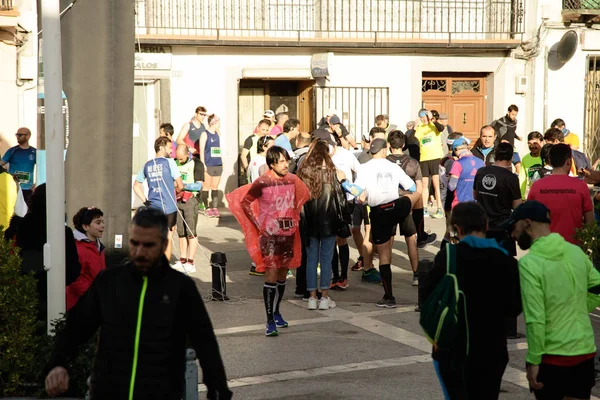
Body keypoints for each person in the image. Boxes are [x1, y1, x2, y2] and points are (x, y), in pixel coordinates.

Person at [44, 207, 232, 399]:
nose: (140, 252)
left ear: (164, 244)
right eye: (135, 243)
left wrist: (217, 387)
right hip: (109, 391)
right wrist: (58, 363)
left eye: (148, 245)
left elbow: (204, 341)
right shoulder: (109, 282)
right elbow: (76, 326)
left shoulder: (181, 287)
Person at [423, 202, 521, 399]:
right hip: (492, 352)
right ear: (486, 226)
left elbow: (428, 299)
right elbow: (514, 308)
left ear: (456, 229)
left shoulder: (448, 257)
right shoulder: (506, 261)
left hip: (452, 350)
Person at [506, 200, 600, 399]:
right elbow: (597, 287)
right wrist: (577, 308)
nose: (512, 235)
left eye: (513, 228)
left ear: (528, 224)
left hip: (552, 358)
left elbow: (535, 318)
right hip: (584, 352)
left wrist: (533, 361)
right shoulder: (575, 252)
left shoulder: (529, 264)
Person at [227, 146, 310, 336]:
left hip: (288, 234)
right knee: (271, 276)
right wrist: (258, 224)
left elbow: (303, 196)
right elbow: (245, 202)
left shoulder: (292, 179)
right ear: (272, 164)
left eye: (287, 160)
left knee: (282, 276)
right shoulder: (262, 182)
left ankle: (277, 311)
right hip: (270, 237)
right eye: (281, 161)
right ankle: (269, 320)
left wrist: (295, 213)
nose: (286, 165)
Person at [353, 138, 422, 307]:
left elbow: (354, 194)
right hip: (397, 206)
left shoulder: (364, 168)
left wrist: (357, 194)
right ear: (384, 150)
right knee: (415, 195)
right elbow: (411, 187)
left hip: (380, 212)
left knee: (384, 255)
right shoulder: (393, 166)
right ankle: (422, 232)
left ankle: (389, 296)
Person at [15, 184, 81, 325]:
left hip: (18, 297)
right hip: (51, 298)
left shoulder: (17, 228)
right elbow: (73, 269)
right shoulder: (63, 233)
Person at [298, 140, 348, 309]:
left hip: (309, 223)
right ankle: (324, 297)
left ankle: (312, 298)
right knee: (326, 260)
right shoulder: (332, 173)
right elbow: (341, 199)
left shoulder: (303, 172)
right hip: (329, 221)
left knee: (311, 260)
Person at [528, 143, 594, 244]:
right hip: (573, 249)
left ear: (550, 161)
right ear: (568, 162)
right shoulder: (580, 186)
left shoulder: (536, 187)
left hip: (544, 248)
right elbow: (589, 220)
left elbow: (528, 218)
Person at [133, 136, 184, 262]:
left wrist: (145, 201)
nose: (172, 150)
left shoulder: (147, 165)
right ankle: (165, 268)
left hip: (153, 207)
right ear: (161, 148)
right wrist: (176, 192)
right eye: (169, 147)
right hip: (169, 207)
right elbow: (181, 185)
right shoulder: (170, 162)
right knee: (168, 237)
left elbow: (136, 186)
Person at [387, 130, 424, 285]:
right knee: (411, 240)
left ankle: (386, 273)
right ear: (403, 145)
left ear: (389, 145)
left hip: (388, 203)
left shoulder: (384, 162)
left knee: (387, 242)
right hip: (407, 202)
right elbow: (420, 188)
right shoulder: (413, 162)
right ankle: (416, 274)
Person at [473, 143, 522, 256]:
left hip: (482, 225)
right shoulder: (511, 178)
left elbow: (475, 195)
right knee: (502, 266)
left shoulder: (481, 171)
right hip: (502, 228)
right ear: (511, 158)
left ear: (495, 155)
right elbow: (517, 206)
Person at [329, 132, 361, 290]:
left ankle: (343, 277)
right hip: (328, 203)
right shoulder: (320, 157)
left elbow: (359, 171)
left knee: (341, 238)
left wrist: (354, 189)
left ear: (334, 144)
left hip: (345, 202)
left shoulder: (346, 154)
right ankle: (334, 275)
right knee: (331, 240)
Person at [67, 206, 106, 311]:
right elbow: (75, 279)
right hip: (79, 305)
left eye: (102, 222)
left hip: (92, 302)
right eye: (98, 223)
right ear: (85, 227)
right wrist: (92, 294)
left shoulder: (98, 247)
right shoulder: (79, 249)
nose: (103, 225)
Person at [173, 144, 204, 273]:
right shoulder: (174, 162)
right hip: (177, 199)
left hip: (191, 199)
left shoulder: (197, 163)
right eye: (177, 158)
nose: (179, 161)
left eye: (181, 159)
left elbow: (199, 186)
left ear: (187, 154)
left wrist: (182, 185)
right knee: (181, 232)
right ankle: (183, 260)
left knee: (191, 232)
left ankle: (191, 262)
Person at [247, 135, 275, 276]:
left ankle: (257, 263)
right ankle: (263, 263)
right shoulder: (263, 162)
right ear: (264, 147)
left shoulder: (253, 160)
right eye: (271, 145)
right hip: (262, 202)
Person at [414, 109, 445, 219]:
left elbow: (441, 128)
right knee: (424, 184)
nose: (423, 119)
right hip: (424, 158)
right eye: (421, 117)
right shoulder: (420, 128)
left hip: (434, 157)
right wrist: (415, 126)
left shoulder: (433, 125)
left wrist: (432, 119)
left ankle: (439, 208)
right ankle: (425, 208)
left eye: (425, 117)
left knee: (436, 184)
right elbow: (415, 138)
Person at [1, 127, 36, 202]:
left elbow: (42, 168)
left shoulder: (34, 152)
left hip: (27, 188)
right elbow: (1, 163)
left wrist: (37, 183)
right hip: (13, 187)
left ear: (28, 136)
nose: (18, 137)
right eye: (17, 135)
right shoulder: (12, 151)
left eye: (20, 135)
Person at [448, 138, 484, 208]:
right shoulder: (481, 162)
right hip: (477, 205)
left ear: (456, 149)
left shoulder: (458, 163)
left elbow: (452, 186)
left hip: (460, 204)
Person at [199, 114, 223, 217]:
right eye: (218, 122)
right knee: (206, 186)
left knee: (215, 187)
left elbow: (219, 149)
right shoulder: (204, 134)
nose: (219, 124)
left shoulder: (218, 133)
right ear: (213, 123)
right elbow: (201, 150)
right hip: (208, 163)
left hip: (217, 163)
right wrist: (203, 163)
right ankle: (206, 207)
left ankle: (214, 207)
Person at [520, 131, 544, 198]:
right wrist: (521, 197)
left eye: (535, 143)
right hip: (534, 195)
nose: (532, 146)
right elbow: (522, 179)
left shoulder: (546, 157)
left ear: (541, 143)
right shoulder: (525, 159)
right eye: (529, 143)